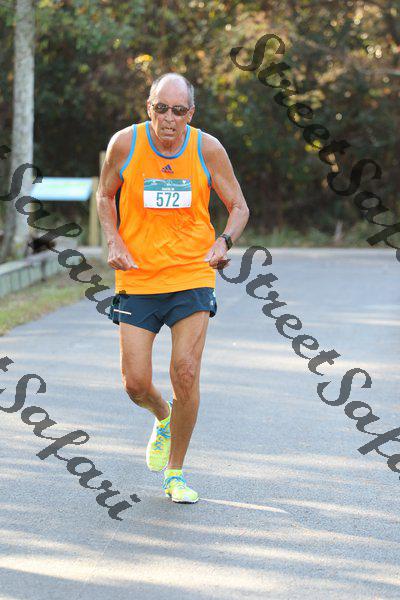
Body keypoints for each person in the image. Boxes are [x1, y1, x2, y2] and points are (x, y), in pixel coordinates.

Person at [97, 72, 250, 503]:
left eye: (178, 110)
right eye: (161, 108)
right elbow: (105, 196)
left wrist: (224, 242)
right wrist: (114, 240)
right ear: (149, 107)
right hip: (139, 275)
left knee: (185, 370)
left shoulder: (207, 148)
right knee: (135, 383)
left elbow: (239, 206)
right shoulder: (125, 144)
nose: (169, 118)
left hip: (191, 274)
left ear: (191, 113)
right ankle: (163, 416)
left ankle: (175, 473)